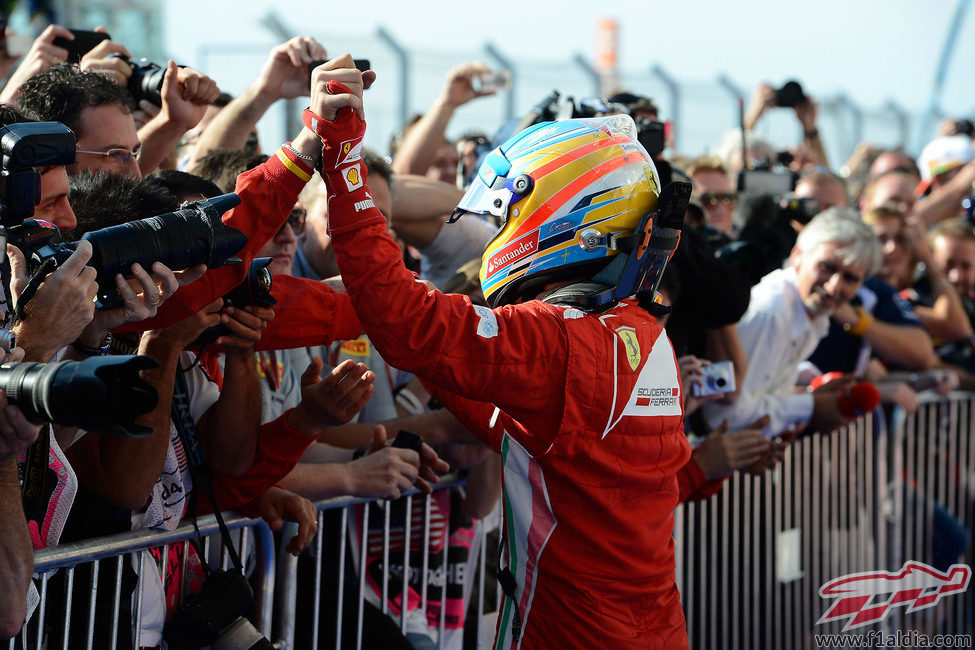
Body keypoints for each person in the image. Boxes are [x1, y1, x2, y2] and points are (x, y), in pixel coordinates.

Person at [308, 55, 692, 648]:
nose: (495, 233)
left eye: (505, 214)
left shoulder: (559, 337)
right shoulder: (641, 331)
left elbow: (411, 326)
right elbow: (517, 421)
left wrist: (341, 161)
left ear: (562, 216)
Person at [703, 208, 883, 437]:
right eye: (827, 267)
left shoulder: (813, 314)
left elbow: (763, 396)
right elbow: (719, 416)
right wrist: (810, 406)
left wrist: (806, 389)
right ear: (798, 256)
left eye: (850, 278)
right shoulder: (773, 311)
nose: (834, 286)